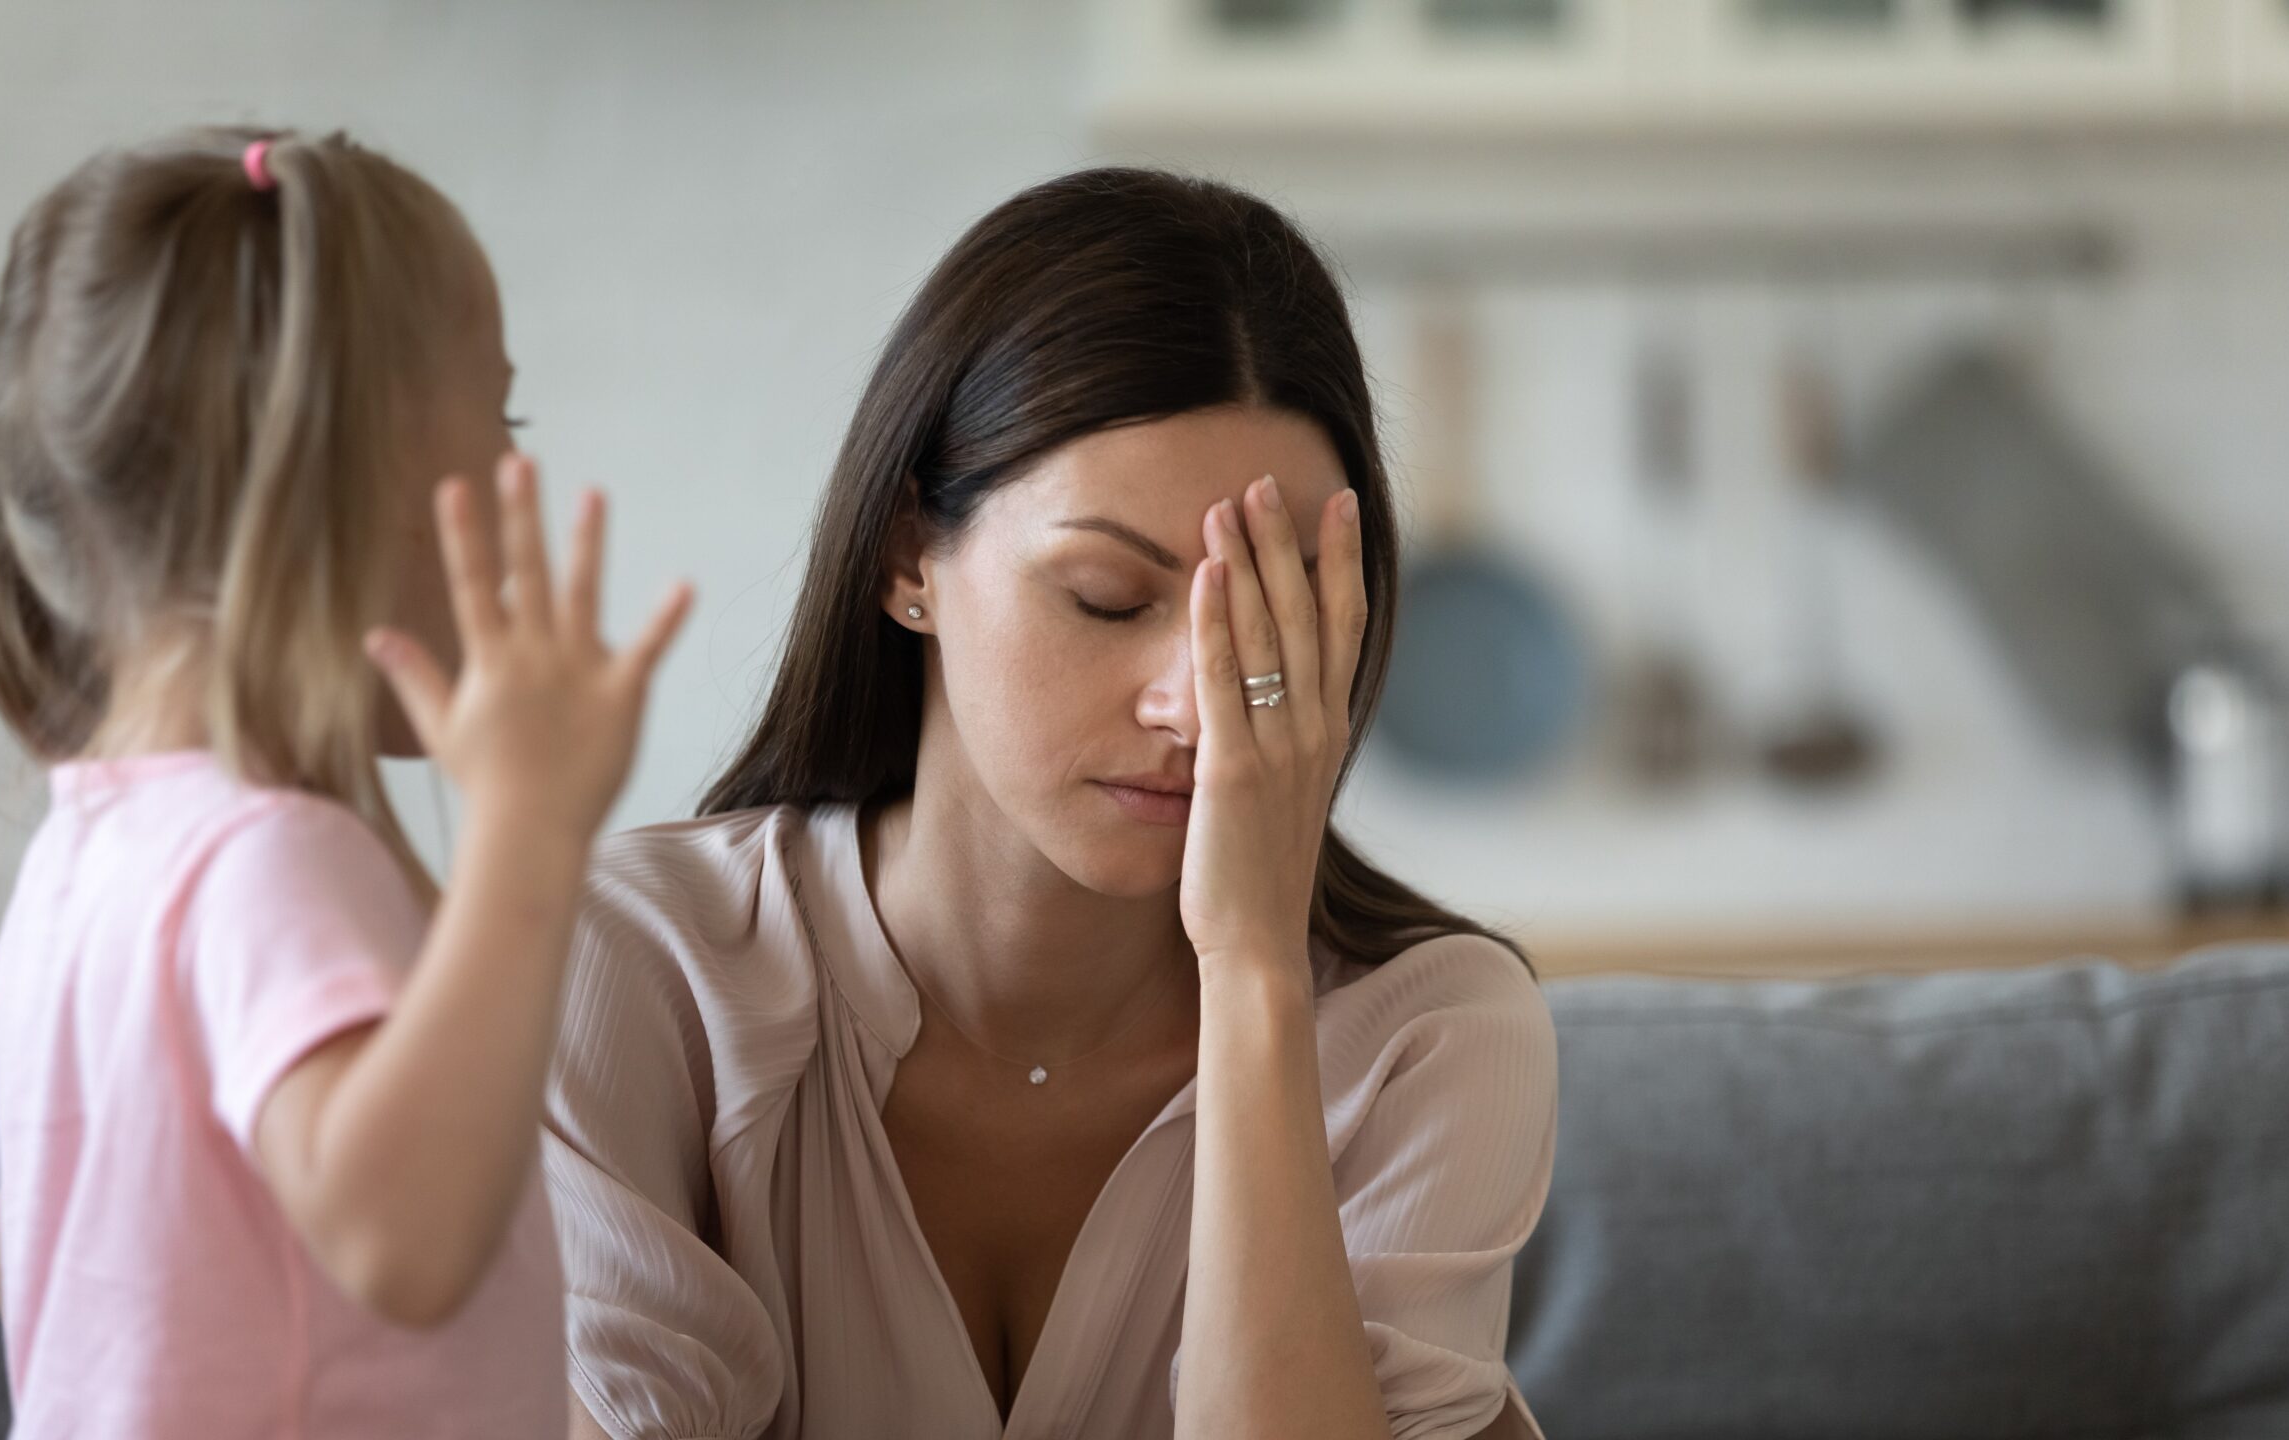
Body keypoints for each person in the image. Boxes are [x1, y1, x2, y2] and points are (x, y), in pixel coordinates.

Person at [546, 167, 1558, 1440]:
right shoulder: (632, 969)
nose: (1196, 706)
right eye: (1107, 598)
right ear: (908, 555)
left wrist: (1252, 970)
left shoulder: (1430, 1033)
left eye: (1271, 612)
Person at [0, 126, 689, 1437]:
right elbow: (404, 1240)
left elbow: (29, 1245)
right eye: (500, 413)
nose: (522, 471)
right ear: (351, 477)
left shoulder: (81, 862)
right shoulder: (270, 860)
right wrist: (527, 831)